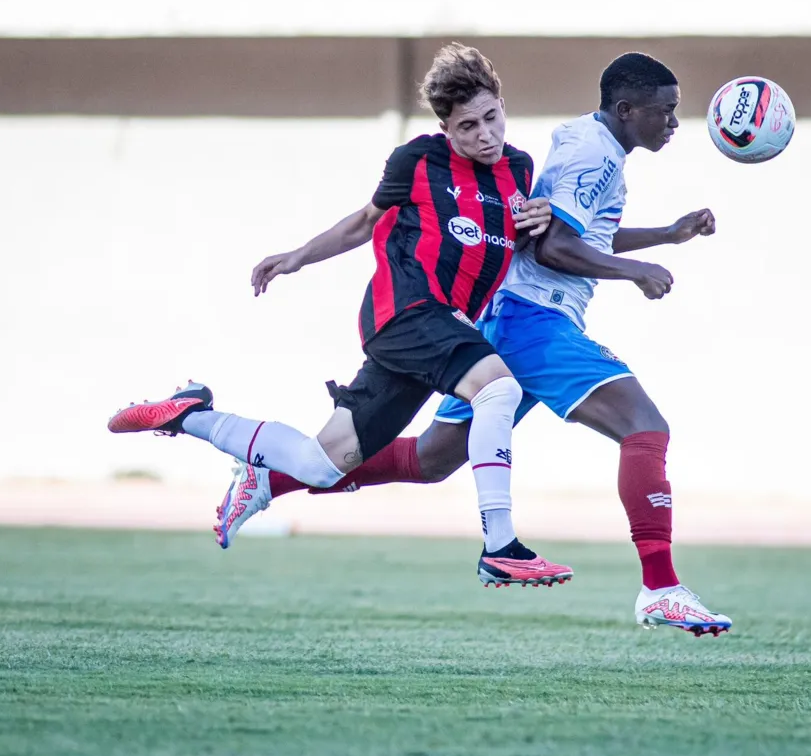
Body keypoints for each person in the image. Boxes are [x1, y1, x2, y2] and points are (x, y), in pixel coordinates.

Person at [233, 52, 732, 637]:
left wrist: (666, 236)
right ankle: (661, 588)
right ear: (627, 110)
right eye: (665, 111)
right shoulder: (593, 153)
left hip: (509, 319)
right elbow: (551, 250)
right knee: (646, 430)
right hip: (535, 319)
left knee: (430, 459)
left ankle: (271, 476)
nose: (674, 122)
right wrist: (634, 271)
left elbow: (566, 229)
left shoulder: (593, 150)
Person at [107, 43, 574, 588]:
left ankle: (189, 415)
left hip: (434, 331)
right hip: (407, 313)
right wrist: (297, 256)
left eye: (492, 117)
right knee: (499, 390)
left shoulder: (518, 168)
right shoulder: (417, 160)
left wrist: (540, 221)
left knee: (321, 465)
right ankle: (501, 546)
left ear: (502, 104)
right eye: (468, 126)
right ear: (446, 127)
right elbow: (363, 222)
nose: (486, 135)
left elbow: (517, 242)